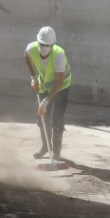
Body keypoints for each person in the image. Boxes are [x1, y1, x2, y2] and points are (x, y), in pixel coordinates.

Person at [25, 25, 72, 162]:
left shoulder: (58, 55)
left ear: (53, 45)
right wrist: (33, 77)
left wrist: (46, 101)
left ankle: (56, 152)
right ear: (37, 41)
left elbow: (58, 82)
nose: (44, 47)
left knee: (57, 119)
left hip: (61, 87)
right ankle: (46, 147)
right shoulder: (31, 48)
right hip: (44, 84)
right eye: (41, 44)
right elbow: (26, 56)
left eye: (47, 45)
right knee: (41, 117)